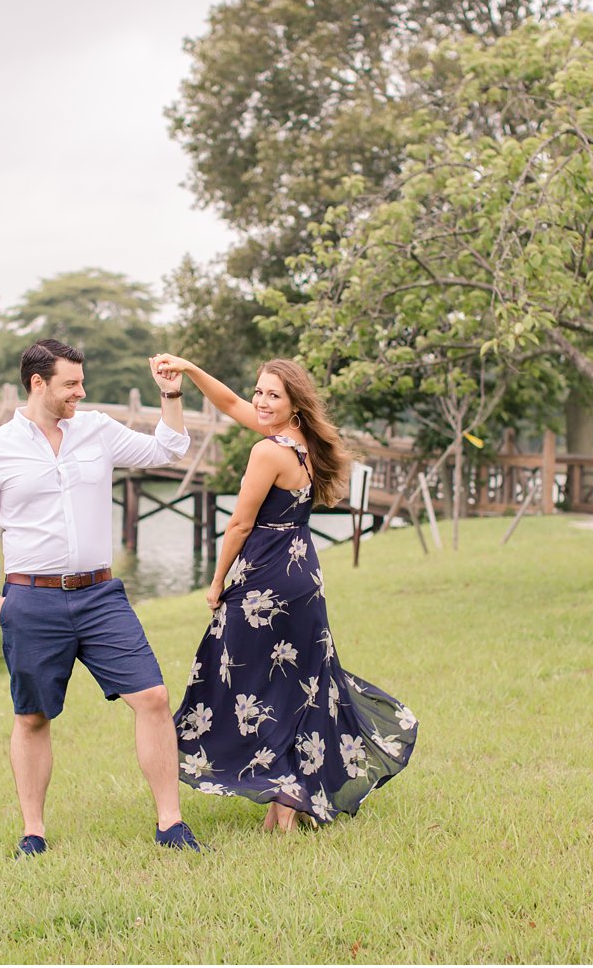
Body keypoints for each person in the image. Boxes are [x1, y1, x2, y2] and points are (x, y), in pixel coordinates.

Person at [149, 353, 417, 831]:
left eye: (273, 394)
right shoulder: (303, 444)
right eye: (259, 391)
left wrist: (216, 583)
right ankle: (288, 797)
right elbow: (229, 401)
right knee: (299, 685)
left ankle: (278, 787)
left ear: (294, 404)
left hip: (266, 581)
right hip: (304, 577)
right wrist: (189, 369)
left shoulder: (267, 452)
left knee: (243, 679)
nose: (260, 400)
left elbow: (239, 523)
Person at [0, 338, 201, 856]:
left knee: (153, 697)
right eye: (70, 384)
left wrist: (172, 397)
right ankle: (33, 832)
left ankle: (171, 824)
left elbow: (167, 449)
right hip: (31, 600)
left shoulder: (96, 429)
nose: (80, 392)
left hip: (99, 596)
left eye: (80, 382)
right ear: (37, 383)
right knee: (32, 716)